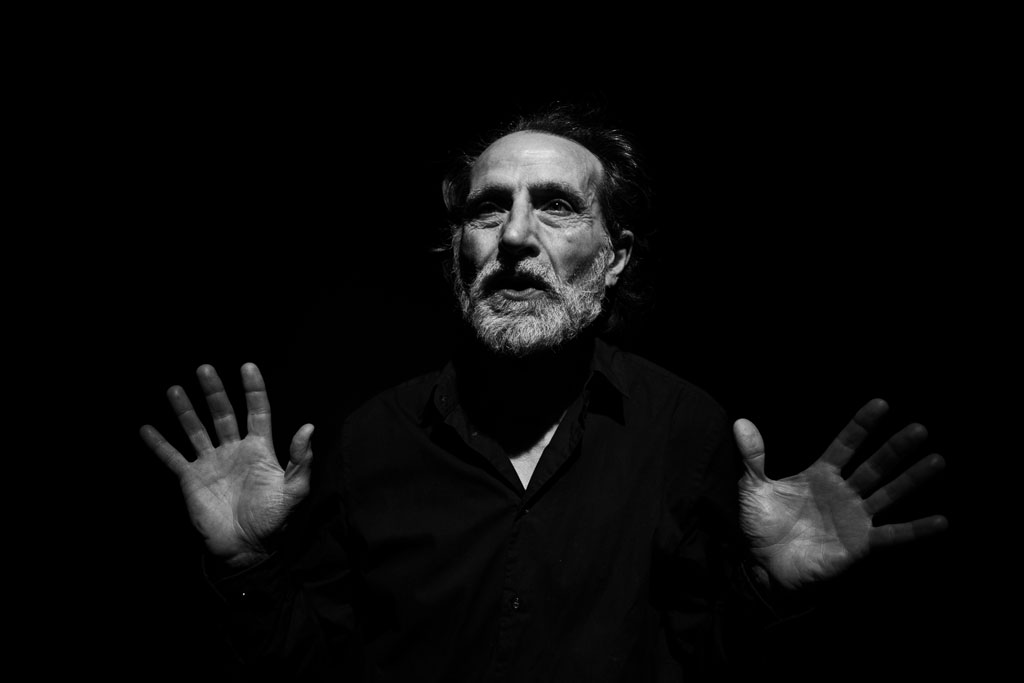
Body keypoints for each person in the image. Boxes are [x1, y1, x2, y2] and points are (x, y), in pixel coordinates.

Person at [140, 104, 948, 681]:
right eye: (489, 210)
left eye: (555, 206)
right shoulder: (372, 439)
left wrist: (769, 595)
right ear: (458, 251)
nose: (516, 237)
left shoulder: (685, 431)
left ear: (615, 256)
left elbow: (705, 659)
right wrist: (246, 567)